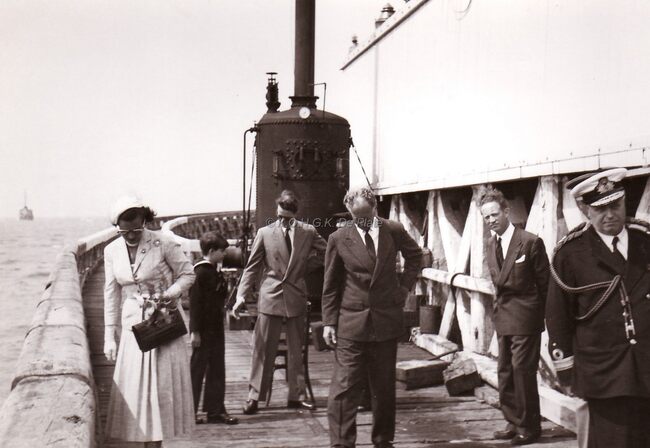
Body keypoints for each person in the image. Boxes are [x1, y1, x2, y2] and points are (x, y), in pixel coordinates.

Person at [546, 168, 650, 447]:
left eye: (615, 205)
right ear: (585, 210)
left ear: (625, 201)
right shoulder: (570, 255)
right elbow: (558, 317)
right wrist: (566, 369)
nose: (610, 215)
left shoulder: (645, 243)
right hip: (603, 373)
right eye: (601, 208)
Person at [321, 187, 422, 448]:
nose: (363, 222)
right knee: (344, 388)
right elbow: (330, 285)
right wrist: (329, 322)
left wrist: (404, 288)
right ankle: (341, 443)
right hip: (351, 323)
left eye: (367, 216)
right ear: (349, 213)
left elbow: (415, 256)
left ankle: (383, 440)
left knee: (383, 387)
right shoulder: (338, 238)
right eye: (357, 218)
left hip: (385, 321)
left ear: (376, 208)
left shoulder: (394, 230)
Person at [103, 196, 195, 447]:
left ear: (145, 221)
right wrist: (109, 336)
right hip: (133, 326)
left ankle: (156, 444)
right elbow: (110, 293)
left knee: (160, 387)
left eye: (137, 229)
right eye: (125, 231)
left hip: (164, 322)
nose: (132, 235)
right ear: (117, 226)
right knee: (136, 390)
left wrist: (170, 293)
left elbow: (188, 274)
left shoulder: (163, 243)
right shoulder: (111, 251)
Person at [232, 190, 327, 414]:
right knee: (262, 348)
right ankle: (254, 396)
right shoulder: (265, 233)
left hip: (295, 296)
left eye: (287, 218)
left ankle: (297, 395)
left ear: (295, 215)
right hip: (271, 296)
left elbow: (327, 253)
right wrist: (241, 296)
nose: (282, 222)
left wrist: (303, 267)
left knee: (297, 349)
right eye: (279, 216)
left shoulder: (308, 231)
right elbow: (252, 267)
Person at [479, 186, 549, 446]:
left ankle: (529, 427)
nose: (491, 220)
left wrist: (541, 319)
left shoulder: (529, 242)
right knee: (505, 370)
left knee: (522, 370)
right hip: (503, 318)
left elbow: (545, 285)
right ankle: (512, 420)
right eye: (486, 217)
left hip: (526, 317)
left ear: (506, 211)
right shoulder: (490, 244)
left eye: (494, 214)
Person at [189, 231, 239, 425]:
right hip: (203, 330)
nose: (224, 254)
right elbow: (195, 305)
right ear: (211, 251)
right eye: (221, 251)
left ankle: (215, 410)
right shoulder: (201, 272)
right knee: (197, 370)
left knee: (217, 367)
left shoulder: (212, 270)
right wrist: (194, 331)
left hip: (215, 328)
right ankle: (190, 411)